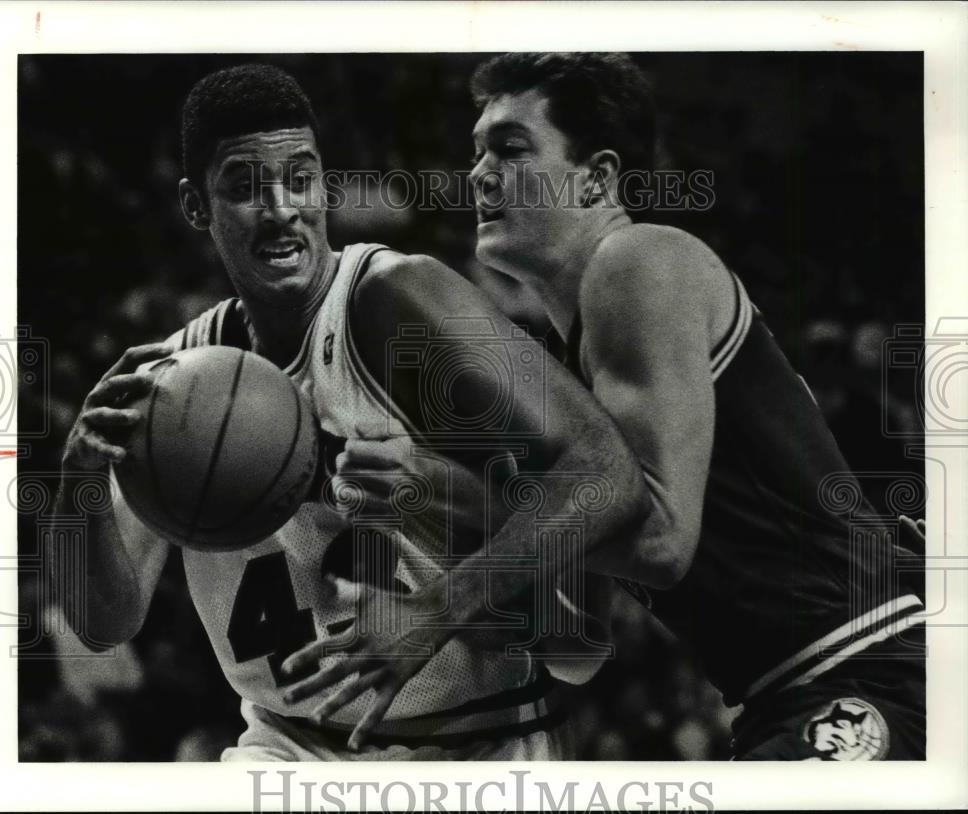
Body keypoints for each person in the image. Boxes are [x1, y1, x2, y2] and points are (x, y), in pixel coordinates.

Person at [281, 53, 926, 761]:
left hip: (869, 662)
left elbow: (659, 542)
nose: (478, 173)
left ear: (597, 177)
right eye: (475, 152)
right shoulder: (570, 375)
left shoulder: (639, 262)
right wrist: (426, 502)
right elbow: (575, 648)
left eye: (511, 148)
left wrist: (442, 566)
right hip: (786, 691)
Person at [51, 62, 644, 761]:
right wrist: (79, 479)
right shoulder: (176, 379)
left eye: (299, 178)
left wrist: (437, 607)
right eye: (244, 188)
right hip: (283, 750)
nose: (280, 209)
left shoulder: (399, 301)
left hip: (475, 746)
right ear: (194, 205)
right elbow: (103, 625)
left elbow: (609, 472)